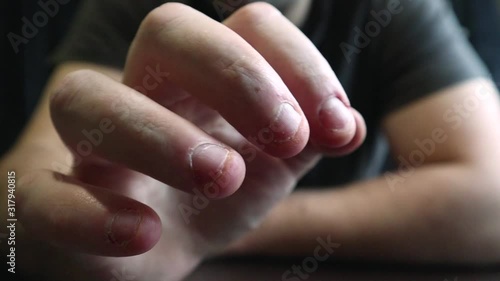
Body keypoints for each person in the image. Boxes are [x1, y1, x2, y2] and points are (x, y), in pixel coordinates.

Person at [1, 0, 500, 280]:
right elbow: (12, 205)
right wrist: (39, 242)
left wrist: (217, 228)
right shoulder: (128, 8)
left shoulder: (392, 9)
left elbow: (493, 201)